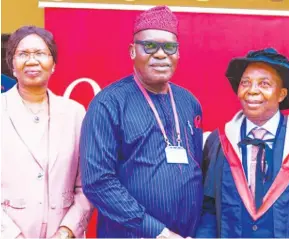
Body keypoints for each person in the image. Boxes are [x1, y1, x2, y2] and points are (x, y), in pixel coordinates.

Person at [80, 6, 204, 238]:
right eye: (149, 46)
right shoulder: (108, 103)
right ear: (132, 51)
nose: (160, 54)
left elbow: (197, 170)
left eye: (169, 47)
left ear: (178, 53)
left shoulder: (190, 103)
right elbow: (98, 182)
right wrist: (158, 232)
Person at [196, 48, 289, 238]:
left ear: (281, 94)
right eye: (245, 83)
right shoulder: (219, 141)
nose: (252, 90)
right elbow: (209, 210)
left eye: (264, 83)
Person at [1, 26, 93, 239]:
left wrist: (67, 231)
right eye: (23, 54)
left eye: (41, 53)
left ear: (53, 65)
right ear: (12, 65)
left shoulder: (75, 113)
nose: (32, 61)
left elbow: (88, 184)